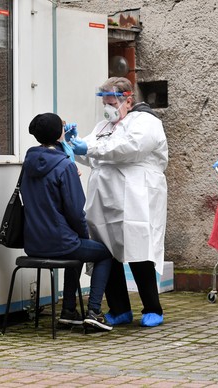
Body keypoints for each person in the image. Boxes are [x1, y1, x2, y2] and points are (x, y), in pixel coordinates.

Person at [70, 77, 168, 327]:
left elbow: (130, 148)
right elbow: (91, 155)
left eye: (112, 101)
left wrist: (88, 149)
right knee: (106, 252)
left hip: (137, 197)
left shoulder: (146, 122)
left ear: (128, 99)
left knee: (139, 250)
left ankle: (152, 308)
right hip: (104, 200)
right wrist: (71, 144)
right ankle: (120, 308)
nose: (107, 106)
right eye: (104, 100)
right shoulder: (104, 126)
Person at [21, 112, 113, 332]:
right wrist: (83, 235)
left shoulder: (28, 162)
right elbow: (76, 212)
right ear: (59, 134)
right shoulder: (64, 166)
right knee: (104, 254)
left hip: (33, 244)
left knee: (78, 250)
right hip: (60, 242)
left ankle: (69, 312)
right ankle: (93, 312)